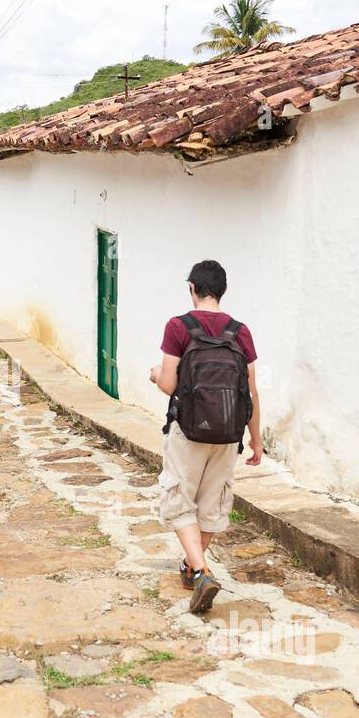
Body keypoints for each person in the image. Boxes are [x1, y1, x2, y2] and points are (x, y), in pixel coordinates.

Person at [150, 260, 262, 614]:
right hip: (229, 433)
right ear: (222, 291)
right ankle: (192, 568)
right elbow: (251, 391)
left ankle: (200, 571)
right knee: (211, 504)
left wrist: (155, 375)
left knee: (180, 500)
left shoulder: (178, 327)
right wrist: (255, 439)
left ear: (192, 289)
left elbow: (169, 384)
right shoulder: (240, 331)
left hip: (189, 430)